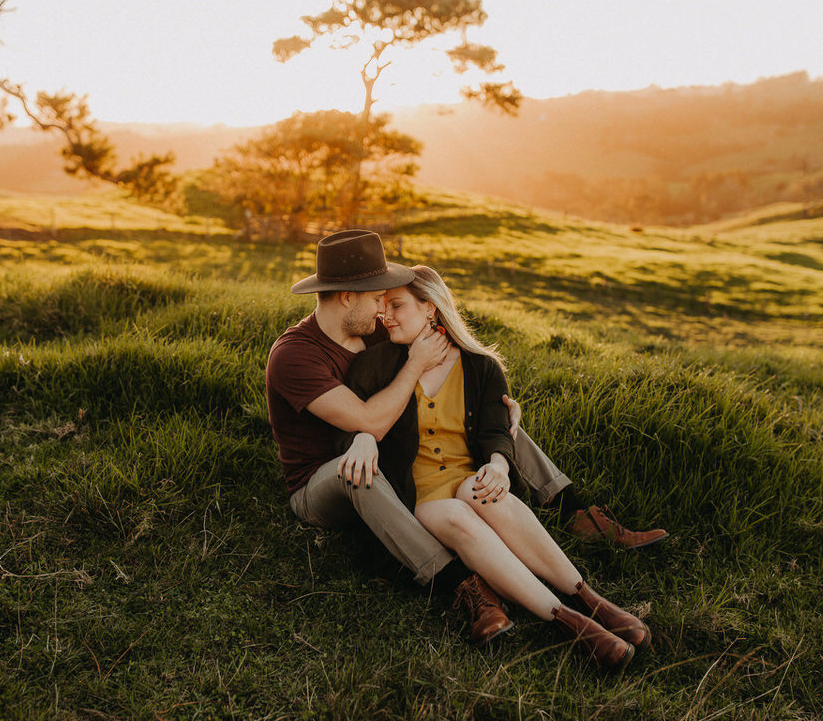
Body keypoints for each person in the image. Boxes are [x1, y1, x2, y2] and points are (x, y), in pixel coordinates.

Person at [265, 230, 662, 645]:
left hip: (378, 446)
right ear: (347, 296)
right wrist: (377, 419)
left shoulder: (376, 330)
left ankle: (573, 509)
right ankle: (459, 584)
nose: (384, 308)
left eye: (389, 299)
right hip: (322, 481)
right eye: (376, 296)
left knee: (492, 417)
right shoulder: (295, 355)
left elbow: (442, 365)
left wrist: (495, 414)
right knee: (361, 469)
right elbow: (371, 418)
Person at [337, 266, 651, 670]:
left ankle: (593, 601)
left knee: (484, 492)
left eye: (396, 305)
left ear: (430, 308)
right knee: (455, 514)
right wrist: (364, 435)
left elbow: (494, 430)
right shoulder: (376, 365)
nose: (386, 316)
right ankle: (570, 622)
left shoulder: (480, 366)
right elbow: (353, 423)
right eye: (384, 307)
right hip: (421, 494)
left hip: (467, 478)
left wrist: (500, 466)